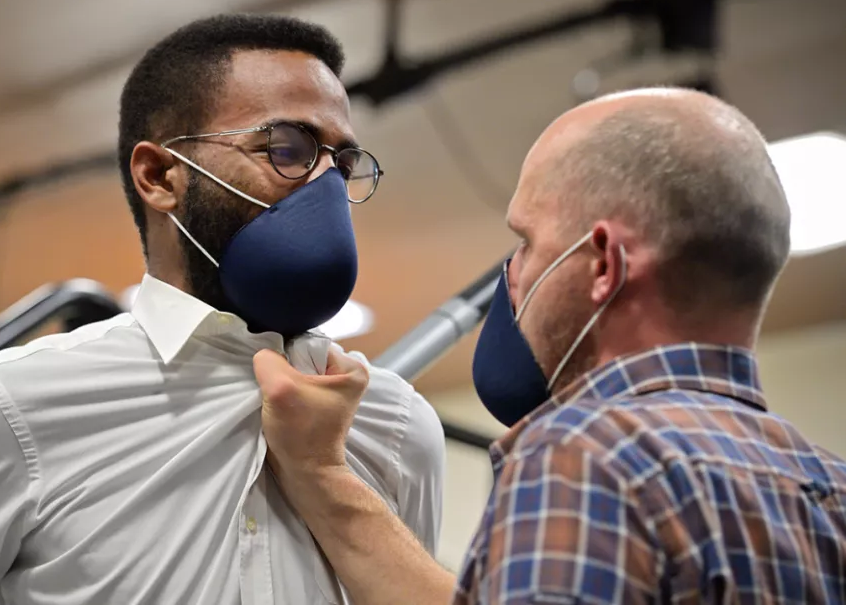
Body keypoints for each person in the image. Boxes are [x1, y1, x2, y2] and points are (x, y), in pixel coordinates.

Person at [0, 14, 445, 604]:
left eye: (341, 163)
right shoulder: (18, 409)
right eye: (286, 148)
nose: (325, 182)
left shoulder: (397, 425)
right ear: (161, 174)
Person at [252, 87, 846, 604]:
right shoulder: (828, 487)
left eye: (527, 241)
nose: (512, 275)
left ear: (604, 265)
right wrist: (323, 473)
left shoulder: (584, 458)